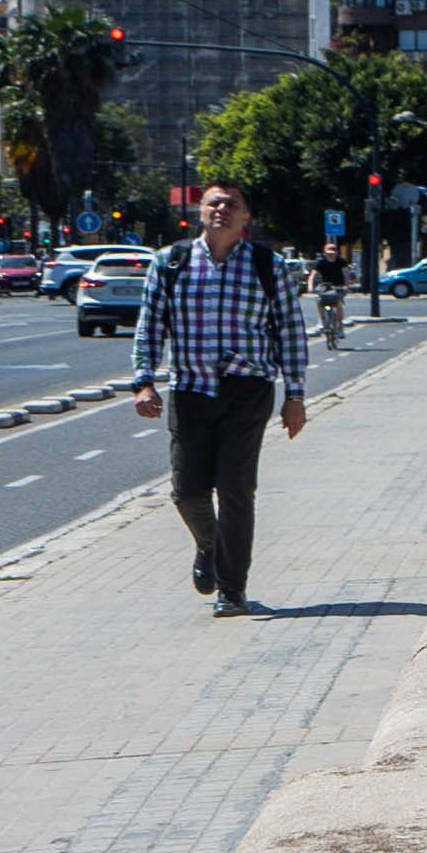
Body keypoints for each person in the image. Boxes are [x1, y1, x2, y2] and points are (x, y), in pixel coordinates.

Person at [131, 183, 309, 617]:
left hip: (247, 391)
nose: (222, 209)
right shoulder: (170, 262)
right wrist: (143, 380)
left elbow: (290, 330)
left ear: (246, 216)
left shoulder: (268, 265)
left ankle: (233, 589)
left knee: (235, 491)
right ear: (200, 210)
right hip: (191, 390)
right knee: (186, 489)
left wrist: (296, 394)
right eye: (215, 202)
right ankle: (209, 546)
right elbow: (150, 324)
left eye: (233, 204)